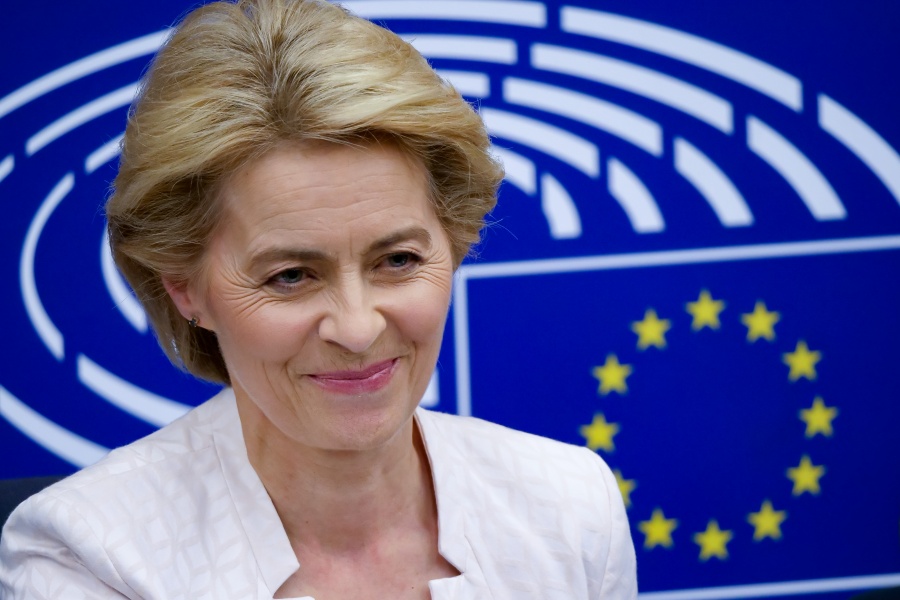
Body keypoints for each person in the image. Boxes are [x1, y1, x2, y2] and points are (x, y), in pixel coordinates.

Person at [0, 0, 637, 597]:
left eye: (397, 260)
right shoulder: (88, 554)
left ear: (456, 242)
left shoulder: (571, 507)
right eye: (291, 276)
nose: (358, 329)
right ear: (184, 285)